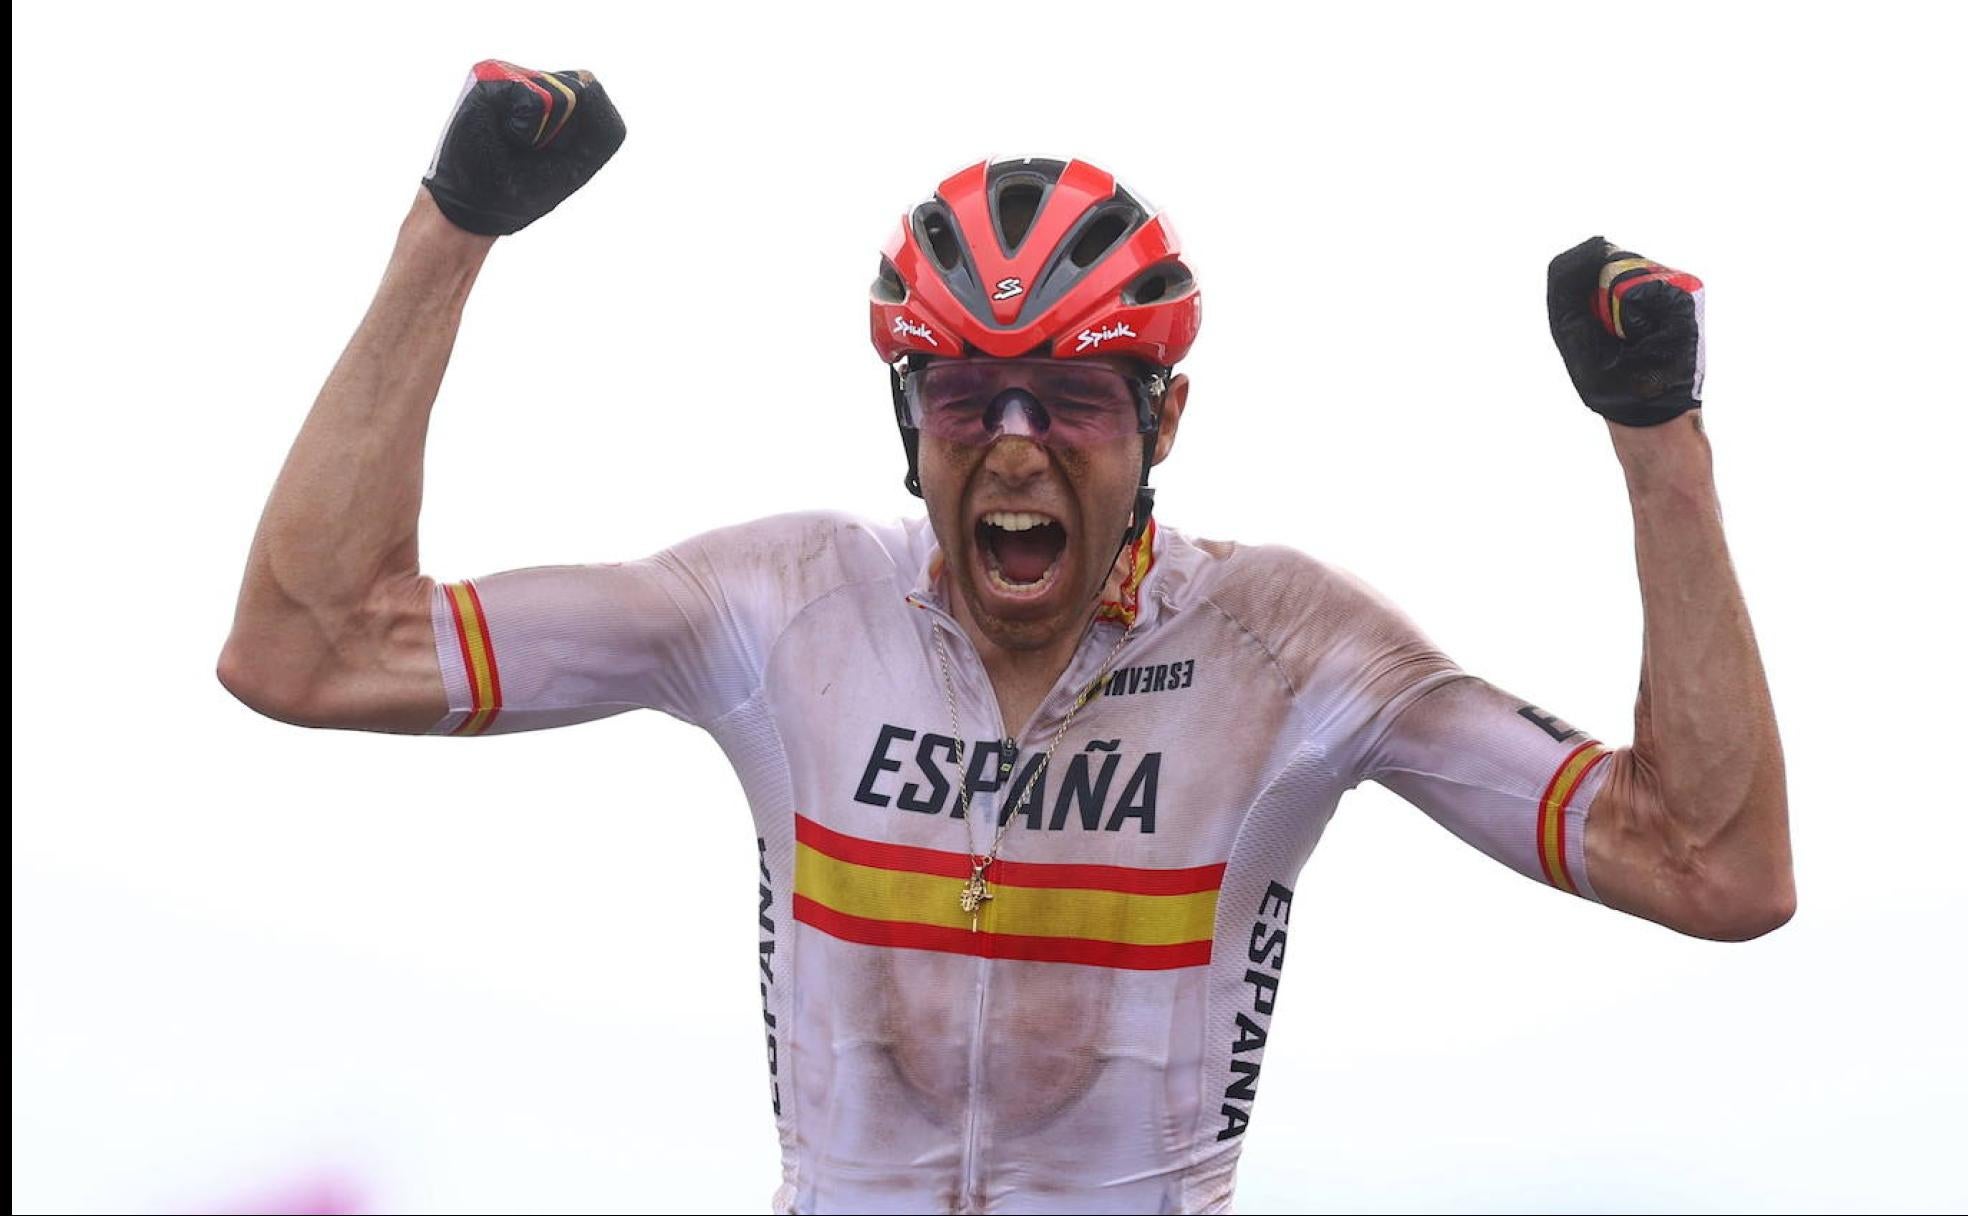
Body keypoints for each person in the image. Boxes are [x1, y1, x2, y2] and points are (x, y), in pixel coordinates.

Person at [217, 62, 1795, 1215]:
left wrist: (1658, 440)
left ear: (1163, 417)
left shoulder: (1284, 646)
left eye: (1078, 396)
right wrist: (455, 227)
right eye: (971, 395)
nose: (1021, 443)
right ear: (909, 423)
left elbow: (1708, 865)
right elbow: (307, 648)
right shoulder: (782, 609)